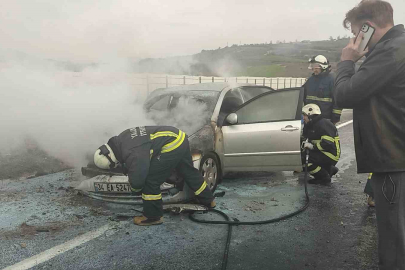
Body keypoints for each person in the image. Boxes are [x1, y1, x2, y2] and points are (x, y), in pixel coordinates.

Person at [334, 1, 405, 268]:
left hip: (393, 156)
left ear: (368, 26)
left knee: (393, 238)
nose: (355, 40)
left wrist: (347, 61)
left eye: (356, 33)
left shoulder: (391, 50)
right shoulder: (396, 47)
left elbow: (345, 94)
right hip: (397, 153)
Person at [94, 126, 215, 226]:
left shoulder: (132, 153)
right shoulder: (121, 139)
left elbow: (138, 179)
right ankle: (209, 200)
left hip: (171, 144)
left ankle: (153, 216)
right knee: (188, 171)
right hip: (179, 137)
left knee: (150, 180)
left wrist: (135, 189)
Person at [301, 104, 340, 186]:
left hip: (330, 154)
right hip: (323, 152)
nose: (303, 118)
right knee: (302, 156)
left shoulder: (323, 124)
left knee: (304, 160)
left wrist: (312, 147)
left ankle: (324, 177)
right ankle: (329, 169)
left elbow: (327, 144)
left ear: (310, 115)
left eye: (304, 115)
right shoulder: (310, 125)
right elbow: (305, 137)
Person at [304, 55, 342, 125]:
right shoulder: (310, 80)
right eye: (312, 67)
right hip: (310, 119)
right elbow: (302, 97)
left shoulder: (332, 80)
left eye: (316, 67)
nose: (314, 70)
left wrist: (335, 118)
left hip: (325, 119)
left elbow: (337, 101)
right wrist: (304, 114)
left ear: (323, 67)